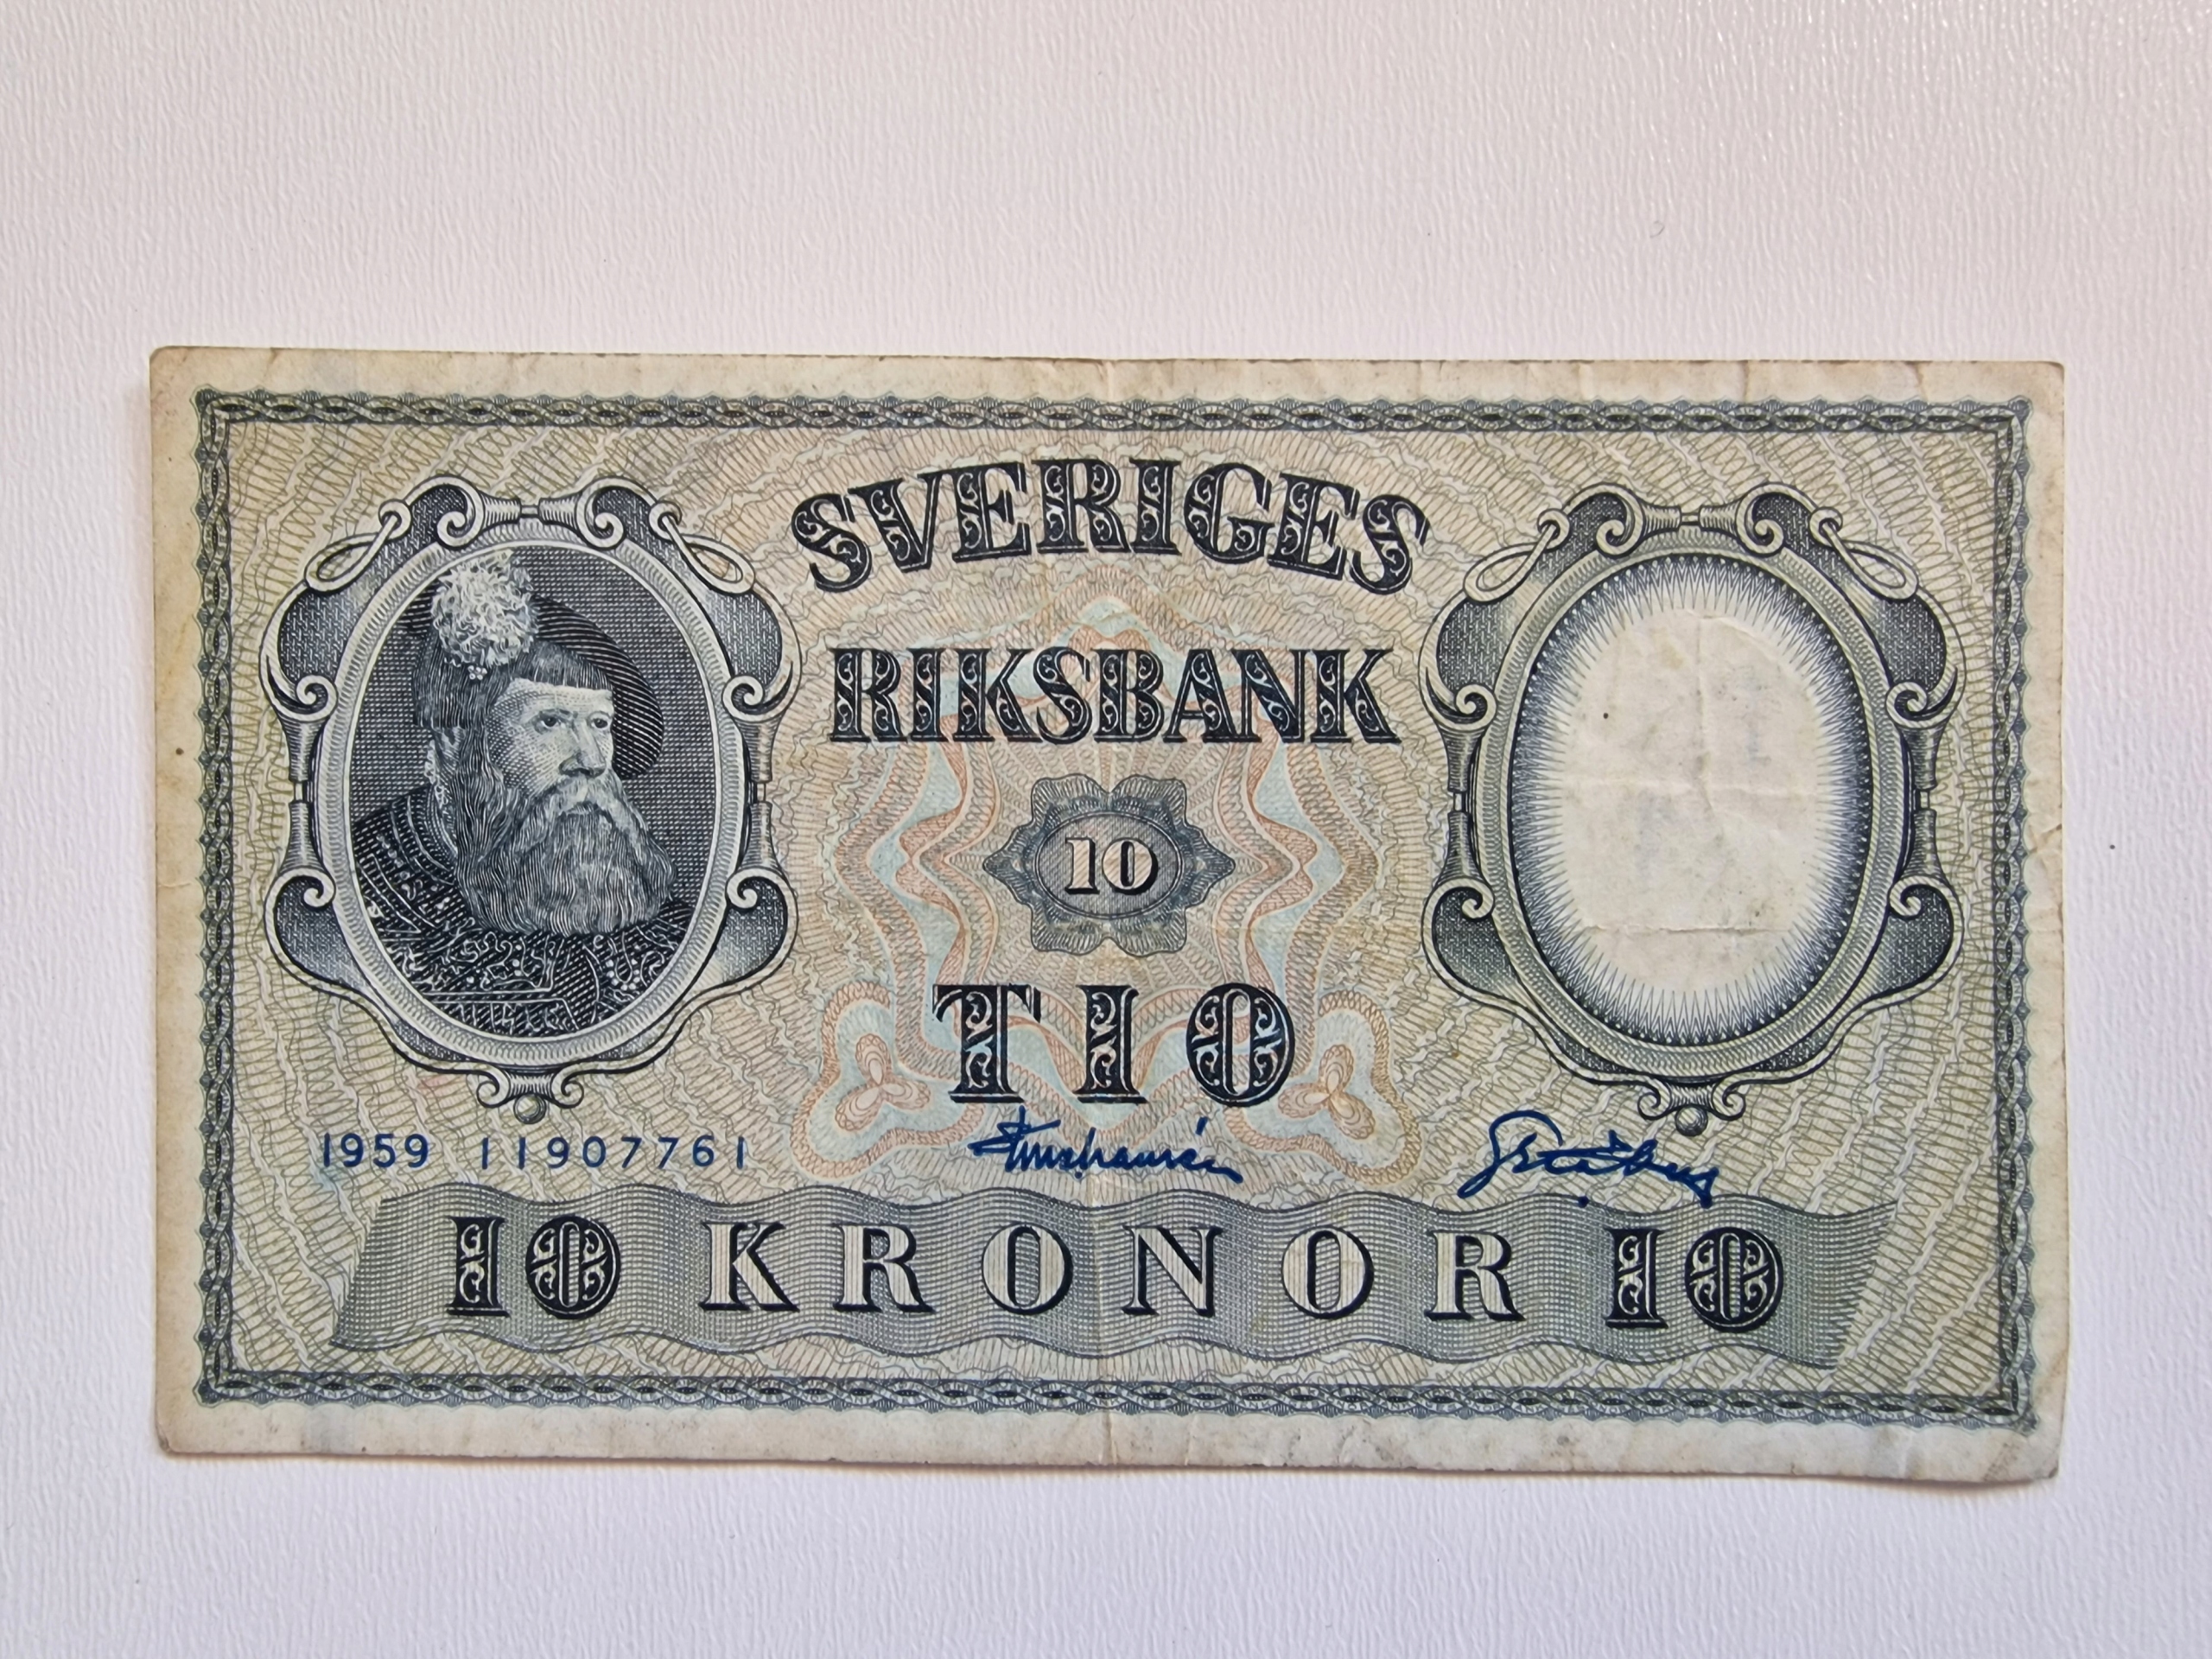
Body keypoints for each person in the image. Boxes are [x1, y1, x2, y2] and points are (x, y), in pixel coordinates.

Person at [351, 551, 690, 1038]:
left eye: (599, 724)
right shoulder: (360, 899)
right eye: (550, 722)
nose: (591, 760)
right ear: (456, 741)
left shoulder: (659, 921)